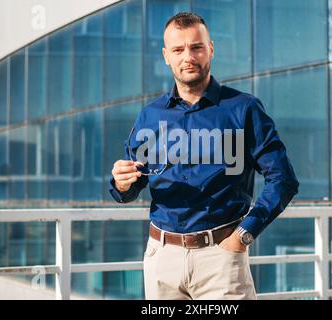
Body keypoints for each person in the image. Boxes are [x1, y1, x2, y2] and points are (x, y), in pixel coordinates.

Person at [110, 12, 299, 300]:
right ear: (166, 56)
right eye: (178, 49)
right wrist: (122, 184)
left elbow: (283, 179)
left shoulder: (244, 109)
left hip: (221, 258)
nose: (188, 56)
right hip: (162, 258)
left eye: (196, 47)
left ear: (210, 49)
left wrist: (244, 235)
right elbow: (133, 185)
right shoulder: (150, 115)